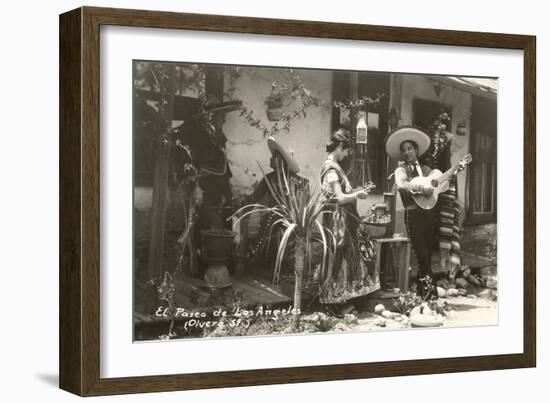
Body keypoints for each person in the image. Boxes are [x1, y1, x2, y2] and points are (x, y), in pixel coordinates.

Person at [319, 128, 378, 304]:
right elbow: (339, 197)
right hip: (338, 219)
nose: (345, 155)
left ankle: (351, 296)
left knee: (358, 251)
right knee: (339, 255)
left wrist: (357, 191)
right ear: (339, 147)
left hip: (345, 217)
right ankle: (333, 300)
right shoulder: (330, 169)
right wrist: (356, 196)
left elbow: (344, 192)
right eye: (345, 151)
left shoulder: (336, 167)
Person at [235, 137, 309, 275]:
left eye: (273, 157)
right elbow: (254, 198)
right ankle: (251, 255)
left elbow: (303, 207)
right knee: (271, 218)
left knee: (272, 218)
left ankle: (252, 255)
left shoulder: (298, 182)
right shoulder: (269, 179)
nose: (270, 159)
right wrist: (243, 204)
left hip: (292, 222)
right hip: (273, 220)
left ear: (281, 161)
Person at [385, 126, 437, 298]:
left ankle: (426, 294)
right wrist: (421, 187)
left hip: (429, 215)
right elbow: (401, 184)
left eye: (410, 149)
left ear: (416, 150)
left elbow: (437, 183)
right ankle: (427, 294)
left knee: (428, 254)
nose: (407, 152)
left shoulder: (426, 169)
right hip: (413, 214)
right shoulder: (401, 170)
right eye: (404, 150)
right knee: (421, 253)